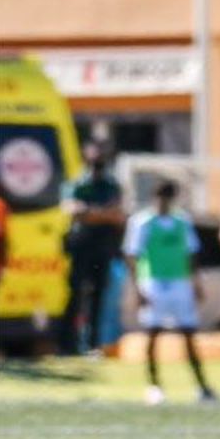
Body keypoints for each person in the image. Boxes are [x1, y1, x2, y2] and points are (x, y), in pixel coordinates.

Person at [123, 180, 217, 405]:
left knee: (188, 333)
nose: (163, 202)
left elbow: (191, 254)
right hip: (153, 283)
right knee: (153, 333)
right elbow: (132, 255)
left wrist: (196, 284)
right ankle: (154, 385)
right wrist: (137, 289)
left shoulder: (182, 221)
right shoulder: (142, 222)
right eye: (160, 197)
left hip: (180, 283)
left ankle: (202, 387)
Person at [56, 141, 126, 354]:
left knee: (98, 295)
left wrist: (89, 213)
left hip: (102, 246)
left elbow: (117, 214)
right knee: (75, 294)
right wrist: (101, 214)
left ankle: (93, 345)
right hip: (81, 246)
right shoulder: (78, 182)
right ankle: (68, 345)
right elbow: (71, 209)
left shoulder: (111, 184)